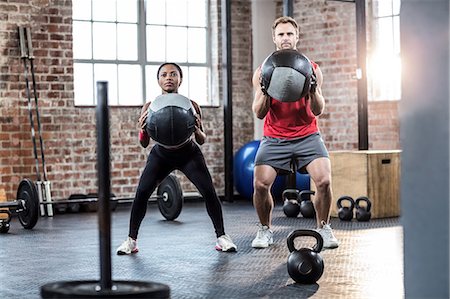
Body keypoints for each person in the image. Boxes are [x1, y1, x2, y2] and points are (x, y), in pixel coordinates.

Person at [116, 62, 237, 254]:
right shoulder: (150, 106)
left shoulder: (192, 105)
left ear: (180, 79)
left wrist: (197, 128)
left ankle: (222, 237)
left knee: (209, 192)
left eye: (173, 74)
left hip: (188, 153)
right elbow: (144, 143)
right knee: (142, 193)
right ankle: (131, 240)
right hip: (161, 154)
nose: (168, 78)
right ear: (158, 80)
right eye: (164, 75)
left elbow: (201, 140)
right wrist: (141, 129)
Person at [251, 16, 339, 249]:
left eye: (290, 34)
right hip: (274, 137)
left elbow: (318, 109)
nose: (285, 38)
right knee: (260, 184)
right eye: (281, 34)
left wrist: (312, 89)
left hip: (307, 135)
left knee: (324, 181)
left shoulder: (312, 69)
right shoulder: (263, 71)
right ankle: (264, 230)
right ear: (274, 38)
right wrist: (266, 90)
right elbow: (259, 113)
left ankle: (324, 227)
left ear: (297, 37)